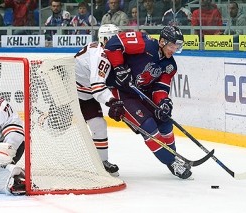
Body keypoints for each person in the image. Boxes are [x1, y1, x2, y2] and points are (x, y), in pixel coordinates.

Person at [104, 26, 192, 179]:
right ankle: (171, 162)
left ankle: (174, 156)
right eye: (172, 46)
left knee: (164, 119)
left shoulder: (170, 65)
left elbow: (160, 88)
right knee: (148, 125)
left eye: (177, 47)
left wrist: (163, 102)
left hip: (141, 94)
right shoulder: (145, 44)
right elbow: (112, 44)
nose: (174, 50)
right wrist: (118, 68)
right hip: (122, 92)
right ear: (162, 41)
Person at [74, 24, 123, 176]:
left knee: (99, 125)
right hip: (68, 94)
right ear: (106, 39)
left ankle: (102, 163)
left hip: (84, 93)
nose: (119, 41)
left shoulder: (103, 51)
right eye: (116, 37)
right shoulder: (101, 56)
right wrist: (113, 101)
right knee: (56, 129)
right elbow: (97, 88)